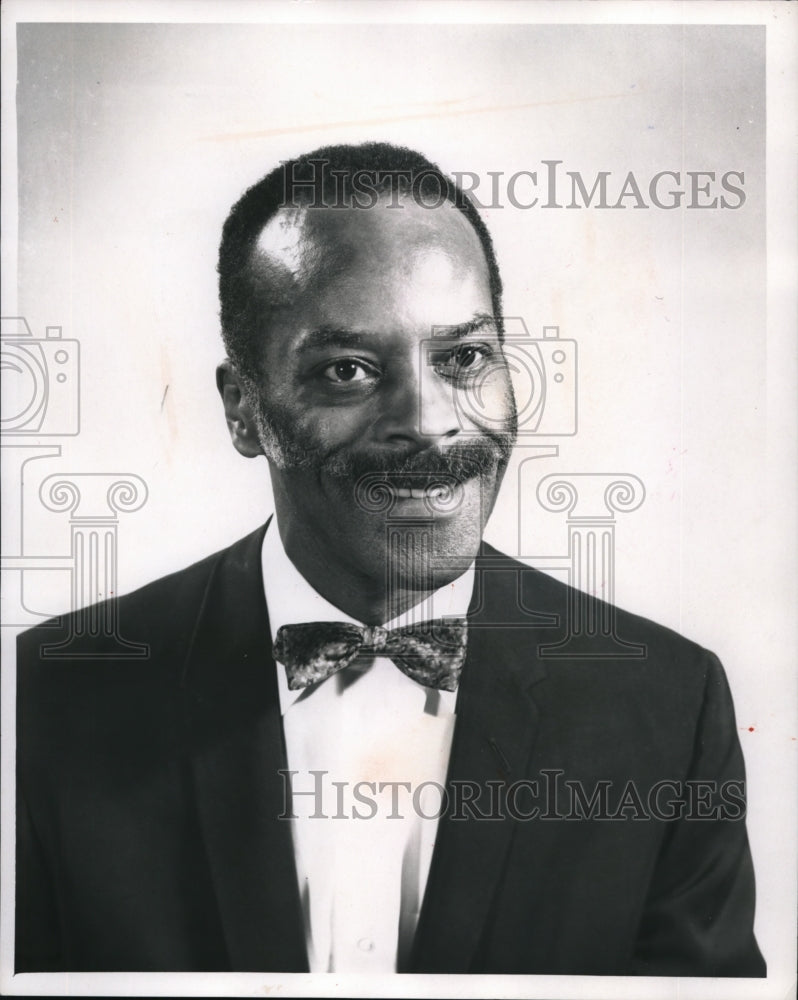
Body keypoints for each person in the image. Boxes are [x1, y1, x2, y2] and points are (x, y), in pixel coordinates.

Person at [16, 142, 765, 976]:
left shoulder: (668, 706)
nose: (430, 420)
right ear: (243, 411)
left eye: (464, 359)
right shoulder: (42, 702)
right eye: (349, 370)